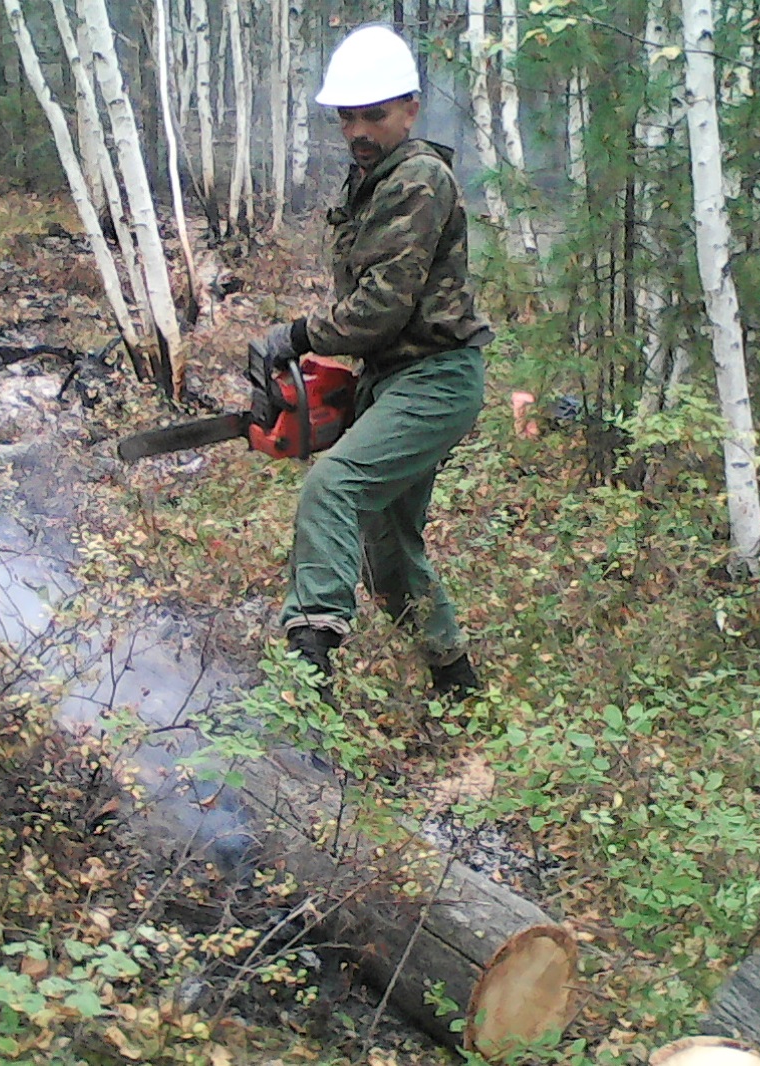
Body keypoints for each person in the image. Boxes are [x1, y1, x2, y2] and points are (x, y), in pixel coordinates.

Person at [257, 24, 493, 704]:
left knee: (332, 487)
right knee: (388, 555)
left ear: (411, 108)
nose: (358, 129)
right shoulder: (373, 178)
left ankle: (308, 671)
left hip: (436, 378)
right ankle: (458, 687)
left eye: (375, 114)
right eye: (349, 116)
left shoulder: (417, 178)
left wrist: (296, 335)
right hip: (395, 378)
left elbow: (380, 308)